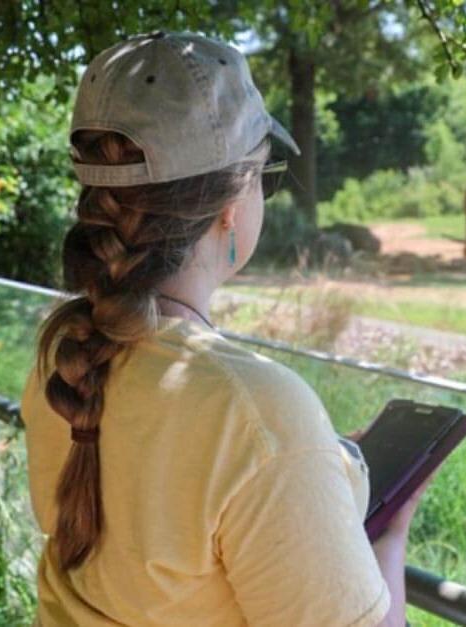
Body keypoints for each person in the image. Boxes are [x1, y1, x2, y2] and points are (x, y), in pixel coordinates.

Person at [21, 31, 432, 627]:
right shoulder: (258, 413)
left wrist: (304, 465)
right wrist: (386, 541)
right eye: (266, 173)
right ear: (231, 206)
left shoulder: (64, 351)